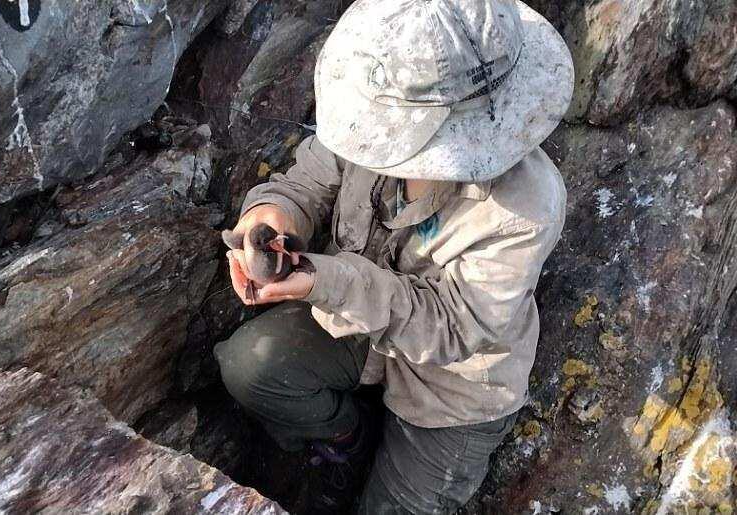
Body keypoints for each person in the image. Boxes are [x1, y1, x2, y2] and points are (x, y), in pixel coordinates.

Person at [214, 0, 574, 512]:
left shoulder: (526, 207)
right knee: (250, 366)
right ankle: (347, 441)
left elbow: (449, 327)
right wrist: (272, 217)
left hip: (453, 391)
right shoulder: (371, 109)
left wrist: (324, 282)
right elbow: (309, 181)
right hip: (360, 331)